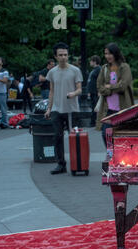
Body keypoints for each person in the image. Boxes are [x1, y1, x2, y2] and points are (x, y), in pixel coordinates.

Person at [44, 42, 83, 174]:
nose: (63, 57)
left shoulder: (75, 70)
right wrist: (49, 108)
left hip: (72, 110)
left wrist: (73, 93)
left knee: (74, 138)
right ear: (55, 56)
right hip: (56, 109)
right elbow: (51, 91)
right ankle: (61, 164)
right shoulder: (52, 72)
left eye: (65, 55)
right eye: (60, 55)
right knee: (57, 137)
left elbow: (79, 89)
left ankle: (77, 164)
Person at [96, 42, 134, 147]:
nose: (107, 56)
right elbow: (99, 86)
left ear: (116, 54)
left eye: (110, 53)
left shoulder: (124, 67)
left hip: (122, 109)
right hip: (108, 110)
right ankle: (111, 154)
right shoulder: (104, 68)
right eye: (106, 53)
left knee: (122, 136)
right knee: (105, 134)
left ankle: (119, 157)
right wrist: (109, 89)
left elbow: (123, 86)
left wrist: (109, 87)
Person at [87, 55, 101, 127]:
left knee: (95, 107)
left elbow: (100, 81)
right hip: (93, 92)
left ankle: (94, 122)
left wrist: (99, 91)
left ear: (94, 61)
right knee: (93, 107)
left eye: (91, 61)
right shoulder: (94, 70)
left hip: (96, 92)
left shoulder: (99, 69)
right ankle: (93, 122)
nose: (90, 62)